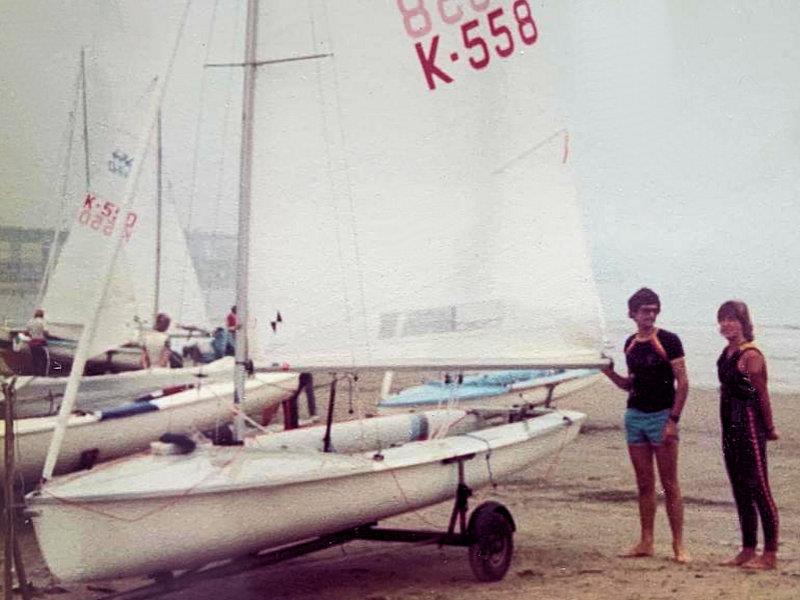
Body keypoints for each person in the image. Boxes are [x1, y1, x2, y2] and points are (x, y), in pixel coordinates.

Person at [601, 287, 689, 563]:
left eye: (653, 310)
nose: (649, 315)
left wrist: (673, 421)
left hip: (662, 416)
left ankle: (678, 546)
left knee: (670, 484)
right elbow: (630, 385)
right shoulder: (630, 343)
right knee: (644, 484)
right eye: (644, 310)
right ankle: (646, 541)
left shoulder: (669, 340)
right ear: (632, 314)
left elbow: (683, 383)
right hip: (635, 417)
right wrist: (609, 372)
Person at [716, 300, 779, 570]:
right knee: (740, 488)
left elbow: (761, 394)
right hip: (729, 426)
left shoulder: (751, 355)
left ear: (744, 323)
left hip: (750, 428)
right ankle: (747, 548)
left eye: (732, 319)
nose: (727, 324)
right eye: (723, 319)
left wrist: (770, 427)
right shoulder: (726, 353)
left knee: (759, 488)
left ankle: (770, 554)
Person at [26, 308, 50, 376]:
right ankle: (43, 375)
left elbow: (27, 332)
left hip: (32, 343)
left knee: (34, 359)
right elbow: (45, 332)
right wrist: (48, 335)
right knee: (44, 360)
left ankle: (34, 374)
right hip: (41, 343)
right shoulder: (42, 321)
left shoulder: (30, 321)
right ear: (42, 315)